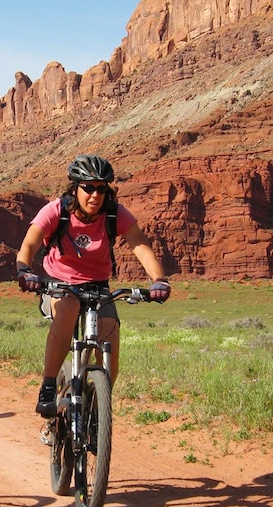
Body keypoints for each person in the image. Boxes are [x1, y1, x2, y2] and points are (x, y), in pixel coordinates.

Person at [15, 154, 171, 417]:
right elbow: (29, 245)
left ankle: (99, 407)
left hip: (97, 286)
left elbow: (140, 245)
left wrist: (159, 280)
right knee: (67, 309)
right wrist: (25, 272)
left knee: (110, 330)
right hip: (59, 284)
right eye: (88, 188)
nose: (95, 195)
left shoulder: (115, 214)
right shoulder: (57, 211)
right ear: (75, 188)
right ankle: (49, 385)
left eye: (101, 189)